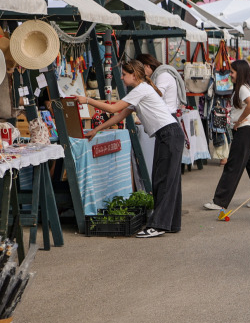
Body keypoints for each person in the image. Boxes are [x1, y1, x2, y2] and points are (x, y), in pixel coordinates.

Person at [77, 60, 184, 238]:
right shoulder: (141, 90)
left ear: (134, 75)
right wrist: (96, 129)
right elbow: (120, 116)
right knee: (166, 180)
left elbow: (113, 108)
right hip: (169, 135)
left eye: (124, 74)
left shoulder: (140, 89)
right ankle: (170, 223)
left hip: (169, 135)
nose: (122, 77)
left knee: (164, 181)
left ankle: (158, 225)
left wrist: (87, 100)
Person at [204, 60, 250, 211]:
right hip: (247, 129)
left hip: (244, 129)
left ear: (239, 73)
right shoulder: (243, 87)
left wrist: (239, 121)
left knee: (232, 166)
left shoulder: (242, 88)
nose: (230, 75)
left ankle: (220, 201)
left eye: (232, 72)